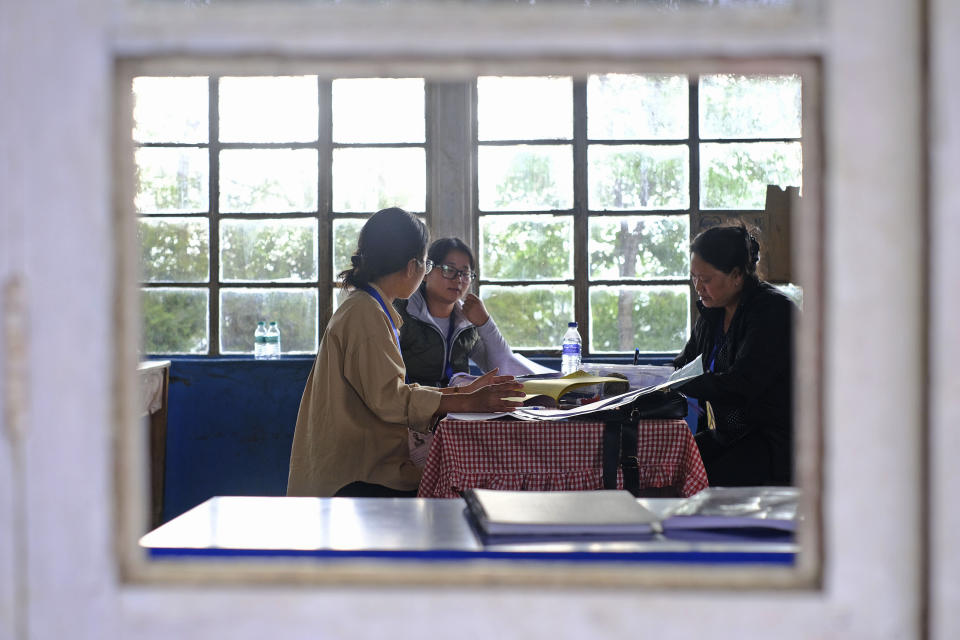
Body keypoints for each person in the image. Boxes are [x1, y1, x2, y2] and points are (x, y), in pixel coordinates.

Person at [286, 208, 523, 498]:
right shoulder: (366, 315)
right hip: (355, 476)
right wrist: (466, 402)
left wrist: (462, 394)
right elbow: (390, 400)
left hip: (363, 464)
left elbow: (390, 390)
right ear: (412, 266)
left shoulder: (371, 308)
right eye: (428, 263)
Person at [672, 224, 796, 486]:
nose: (698, 287)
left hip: (771, 441)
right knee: (669, 463)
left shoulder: (772, 312)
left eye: (705, 280)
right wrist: (652, 381)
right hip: (726, 434)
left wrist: (679, 382)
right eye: (694, 277)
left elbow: (743, 383)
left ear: (737, 276)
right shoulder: (712, 313)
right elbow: (684, 364)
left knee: (704, 480)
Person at [394, 237, 536, 388]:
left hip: (459, 407)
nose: (458, 279)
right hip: (413, 405)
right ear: (426, 271)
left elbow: (502, 369)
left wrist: (486, 323)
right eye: (448, 270)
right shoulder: (402, 312)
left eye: (465, 273)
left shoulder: (466, 321)